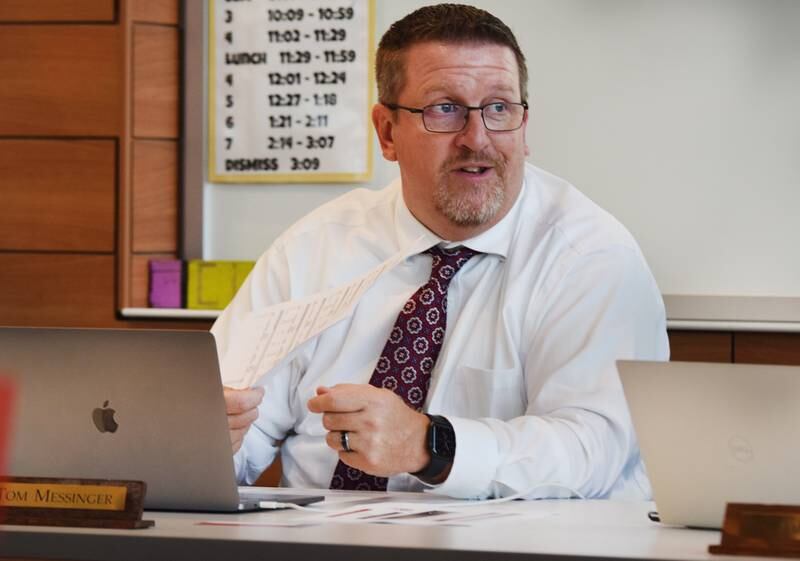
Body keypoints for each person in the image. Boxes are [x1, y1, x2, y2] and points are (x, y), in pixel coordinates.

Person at [212, 3, 669, 499]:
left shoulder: (591, 256)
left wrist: (431, 445)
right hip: (317, 540)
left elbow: (592, 449)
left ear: (524, 123)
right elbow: (229, 424)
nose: (477, 139)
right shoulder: (314, 246)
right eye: (444, 109)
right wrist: (212, 439)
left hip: (513, 548)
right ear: (387, 132)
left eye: (498, 108)